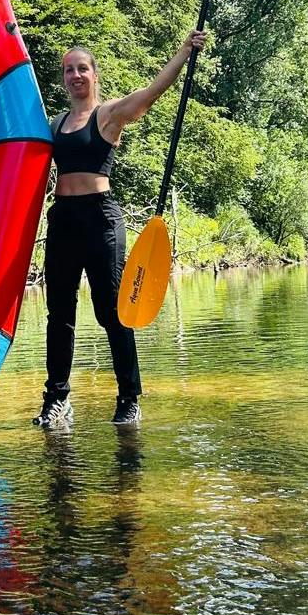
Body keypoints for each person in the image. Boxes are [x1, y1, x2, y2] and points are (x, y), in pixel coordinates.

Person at [33, 31, 206, 430]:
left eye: (82, 68)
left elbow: (150, 94)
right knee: (59, 314)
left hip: (101, 221)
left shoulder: (108, 115)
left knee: (112, 312)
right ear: (63, 78)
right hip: (63, 219)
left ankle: (129, 398)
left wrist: (183, 51)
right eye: (68, 70)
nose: (75, 75)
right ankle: (57, 399)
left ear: (94, 74)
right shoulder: (53, 124)